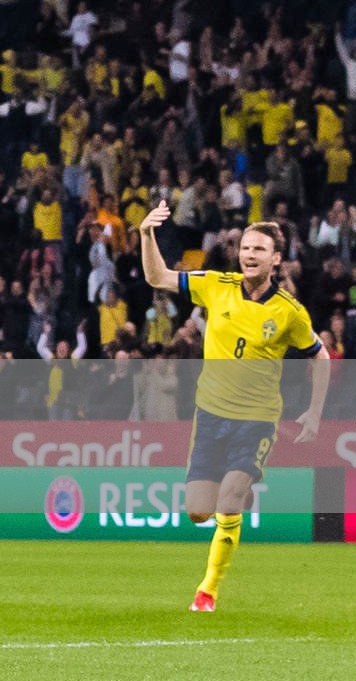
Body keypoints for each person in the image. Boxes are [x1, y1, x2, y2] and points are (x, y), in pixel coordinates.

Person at [137, 204, 328, 612]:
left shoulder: (289, 312)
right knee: (198, 512)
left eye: (259, 249)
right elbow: (158, 276)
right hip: (210, 415)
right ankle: (237, 495)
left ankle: (207, 590)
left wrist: (314, 411)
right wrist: (146, 235)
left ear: (276, 258)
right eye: (245, 247)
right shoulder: (216, 285)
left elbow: (320, 354)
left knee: (229, 498)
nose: (249, 254)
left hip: (256, 419)